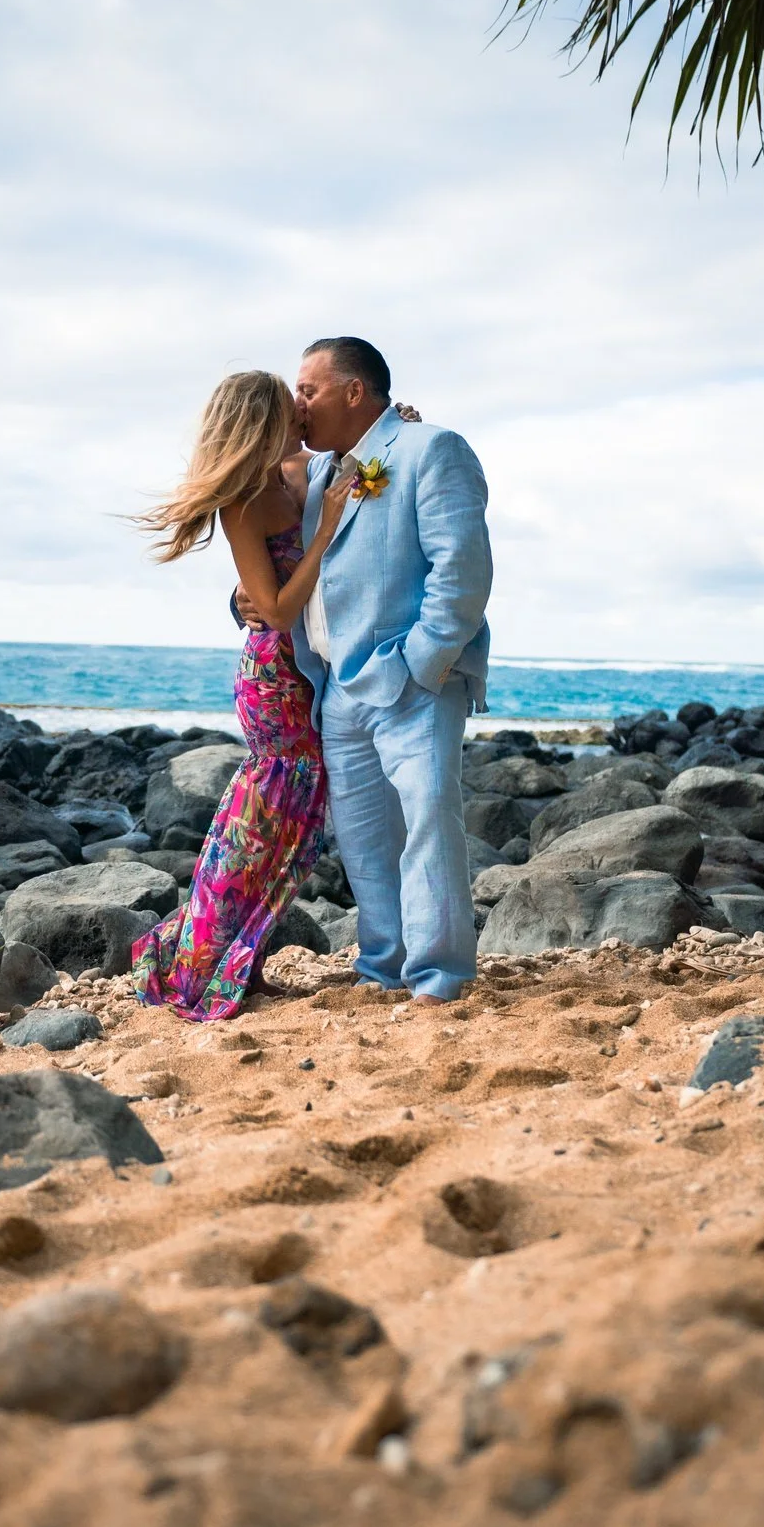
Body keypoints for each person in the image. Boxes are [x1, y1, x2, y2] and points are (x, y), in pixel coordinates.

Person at [261, 336, 492, 1006]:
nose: (298, 403)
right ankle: (383, 967)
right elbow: (286, 566)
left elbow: (462, 569)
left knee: (428, 824)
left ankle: (439, 977)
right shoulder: (315, 478)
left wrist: (425, 662)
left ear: (354, 392)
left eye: (308, 389)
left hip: (413, 681)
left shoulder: (430, 450)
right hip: (336, 686)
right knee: (363, 842)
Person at [126, 371, 355, 1021]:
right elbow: (279, 611)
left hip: (303, 674)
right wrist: (326, 531)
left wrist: (402, 430)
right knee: (257, 833)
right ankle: (199, 964)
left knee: (281, 831)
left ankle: (233, 958)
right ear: (263, 422)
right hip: (274, 681)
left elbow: (362, 460)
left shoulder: (297, 472)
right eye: (292, 408)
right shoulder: (244, 503)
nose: (303, 414)